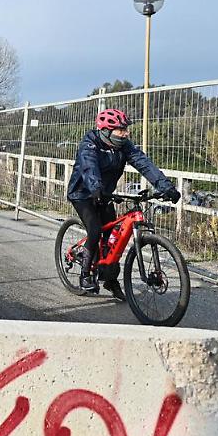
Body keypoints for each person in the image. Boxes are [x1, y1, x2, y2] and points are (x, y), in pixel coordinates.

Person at [66, 108, 181, 297]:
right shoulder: (90, 143)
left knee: (112, 238)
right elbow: (89, 166)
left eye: (126, 129)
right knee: (95, 230)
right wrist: (95, 187)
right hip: (83, 193)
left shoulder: (124, 146)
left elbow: (144, 164)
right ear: (106, 131)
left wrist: (166, 187)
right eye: (121, 130)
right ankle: (85, 275)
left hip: (104, 194)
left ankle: (110, 280)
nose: (126, 133)